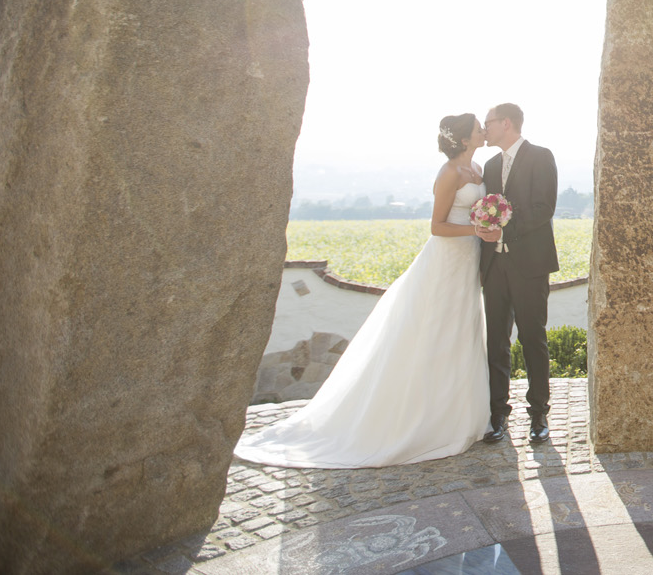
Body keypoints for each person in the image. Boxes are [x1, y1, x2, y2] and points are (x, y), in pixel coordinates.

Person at [233, 114, 490, 468]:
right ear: (463, 139)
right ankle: (423, 422)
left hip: (468, 261)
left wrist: (485, 228)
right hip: (447, 259)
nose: (483, 131)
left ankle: (461, 416)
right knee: (436, 333)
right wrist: (476, 231)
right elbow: (437, 226)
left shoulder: (477, 167)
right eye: (478, 128)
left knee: (462, 331)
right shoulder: (449, 173)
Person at [477, 102, 559, 445]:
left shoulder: (542, 157)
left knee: (532, 339)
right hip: (494, 266)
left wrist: (504, 232)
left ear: (506, 123)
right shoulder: (490, 165)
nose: (485, 130)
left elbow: (544, 208)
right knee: (495, 341)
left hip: (530, 265)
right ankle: (498, 415)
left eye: (489, 123)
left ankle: (538, 413)